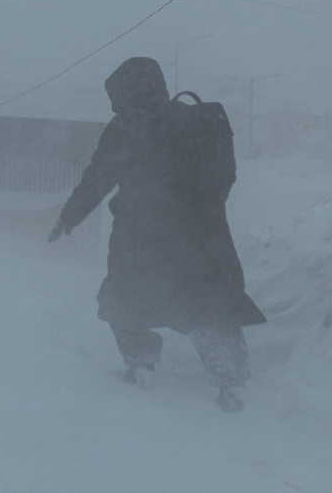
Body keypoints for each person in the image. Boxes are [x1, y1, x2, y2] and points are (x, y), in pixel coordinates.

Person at [47, 57, 266, 412]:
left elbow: (96, 180)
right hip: (204, 236)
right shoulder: (200, 121)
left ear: (125, 92)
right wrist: (201, 210)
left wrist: (68, 218)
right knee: (209, 304)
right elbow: (225, 177)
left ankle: (141, 365)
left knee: (124, 299)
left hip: (141, 237)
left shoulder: (125, 127)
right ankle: (232, 383)